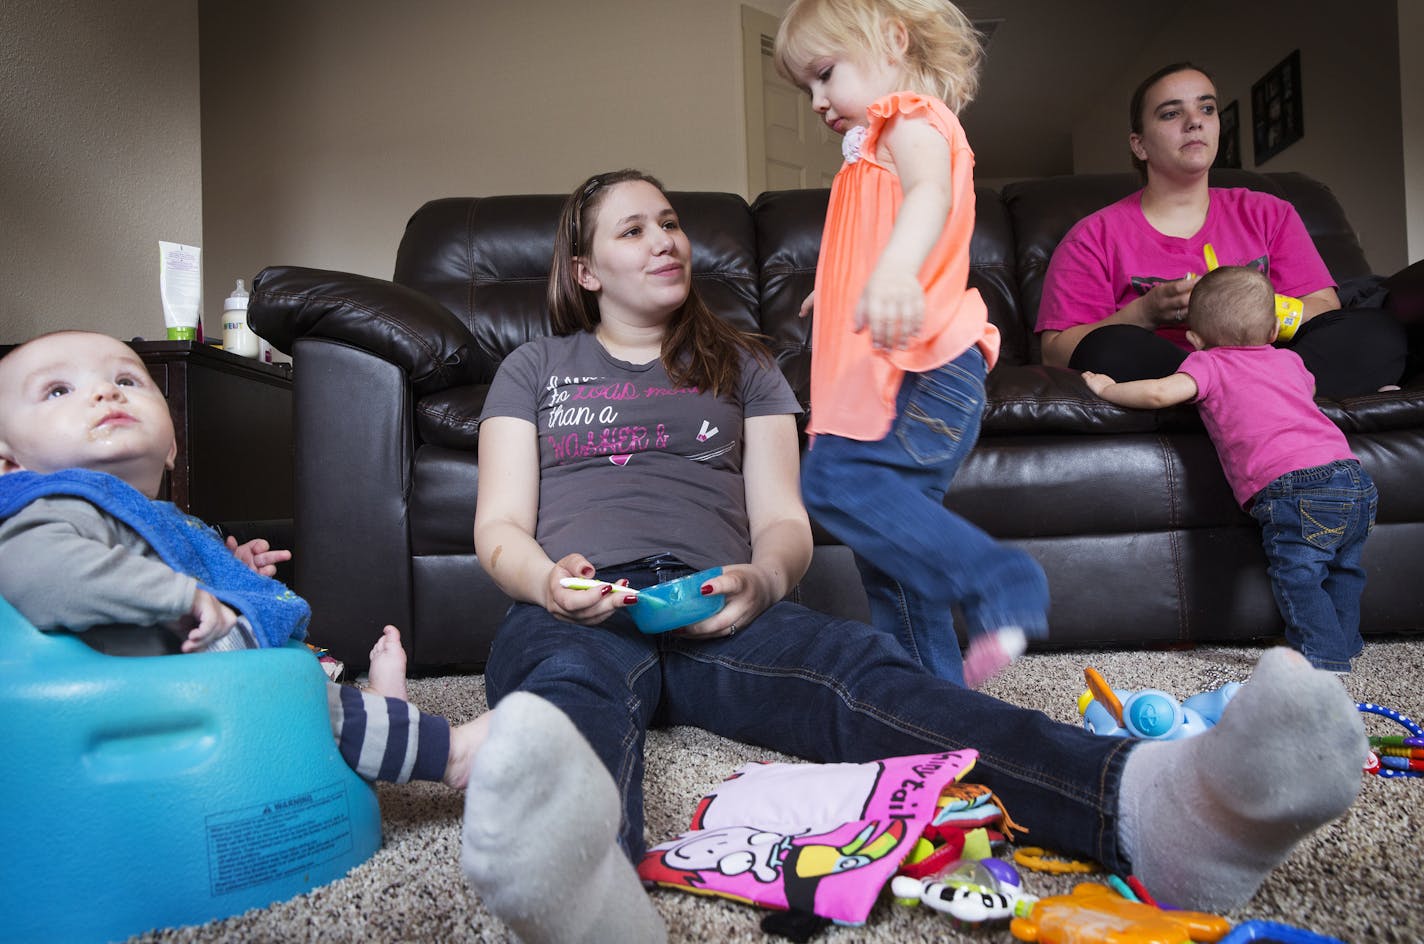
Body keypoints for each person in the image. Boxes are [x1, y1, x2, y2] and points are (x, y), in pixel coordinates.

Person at [460, 169, 1366, 944]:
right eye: (634, 229)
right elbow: (499, 527)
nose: (665, 240)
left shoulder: (745, 365)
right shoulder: (535, 370)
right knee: (563, 713)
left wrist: (764, 579)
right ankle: (595, 907)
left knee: (871, 678)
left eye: (670, 222)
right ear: (585, 271)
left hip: (716, 600)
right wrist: (545, 580)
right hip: (573, 605)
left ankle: (1156, 808)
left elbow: (784, 521)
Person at [0, 331, 484, 788]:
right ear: (9, 464)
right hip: (143, 705)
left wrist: (232, 577)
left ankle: (381, 710)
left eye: (126, 380)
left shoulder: (154, 517)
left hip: (210, 686)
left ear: (170, 446)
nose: (106, 393)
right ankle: (451, 754)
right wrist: (177, 594)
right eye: (59, 390)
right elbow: (45, 575)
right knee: (308, 706)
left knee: (310, 685)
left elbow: (170, 571)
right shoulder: (47, 508)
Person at [773, 0, 1048, 686]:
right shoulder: (868, 155)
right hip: (893, 379)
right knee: (890, 554)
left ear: (894, 40)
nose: (816, 101)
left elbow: (931, 196)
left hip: (922, 373)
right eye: (804, 88)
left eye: (825, 73)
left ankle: (1001, 580)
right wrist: (835, 288)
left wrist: (894, 269)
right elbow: (881, 230)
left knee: (834, 482)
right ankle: (934, 708)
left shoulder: (911, 120)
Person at [1037, 62, 1406, 399]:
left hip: (1275, 363)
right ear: (1140, 144)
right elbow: (1057, 351)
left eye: (1207, 108)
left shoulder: (1268, 212)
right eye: (1171, 113)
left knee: (1378, 334)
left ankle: (1230, 403)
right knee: (1107, 347)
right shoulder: (1092, 236)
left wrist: (1248, 308)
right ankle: (1262, 401)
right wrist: (1145, 313)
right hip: (1172, 372)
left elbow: (1323, 307)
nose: (1195, 121)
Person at [1083, 267, 1375, 672]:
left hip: (1294, 485)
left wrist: (1106, 388)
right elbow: (1305, 390)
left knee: (1299, 574)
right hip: (1353, 475)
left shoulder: (1208, 364)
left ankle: (1321, 658)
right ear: (1274, 329)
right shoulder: (1290, 360)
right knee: (1344, 567)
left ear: (1195, 340)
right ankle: (1342, 643)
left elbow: (1157, 391)